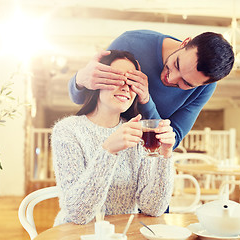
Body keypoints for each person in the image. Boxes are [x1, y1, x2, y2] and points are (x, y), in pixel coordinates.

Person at [51, 50, 176, 226]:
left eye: (132, 81)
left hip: (123, 234)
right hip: (77, 234)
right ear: (96, 82)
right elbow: (77, 214)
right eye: (117, 79)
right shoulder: (67, 130)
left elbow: (153, 208)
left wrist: (165, 154)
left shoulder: (139, 132)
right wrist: (108, 150)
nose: (126, 87)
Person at [68, 30, 234, 149]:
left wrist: (146, 101)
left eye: (186, 82)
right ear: (185, 43)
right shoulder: (131, 43)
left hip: (140, 156)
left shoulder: (204, 89)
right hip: (98, 143)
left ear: (203, 84)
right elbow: (82, 99)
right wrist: (80, 79)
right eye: (176, 64)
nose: (171, 78)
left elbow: (171, 139)